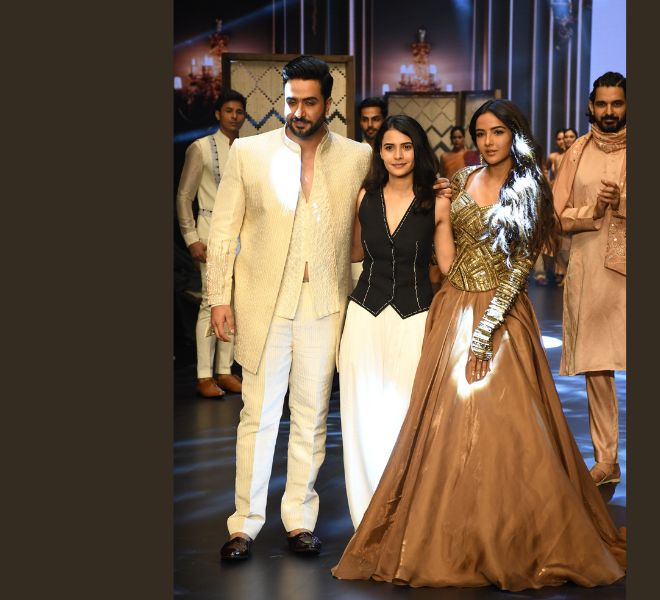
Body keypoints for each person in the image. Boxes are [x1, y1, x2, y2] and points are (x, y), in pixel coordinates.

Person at [332, 99, 626, 591]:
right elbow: (447, 247)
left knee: (504, 431)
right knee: (441, 430)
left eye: (497, 132)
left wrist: (485, 332)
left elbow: (518, 267)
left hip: (502, 316)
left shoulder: (528, 187)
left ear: (515, 135)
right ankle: (453, 532)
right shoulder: (462, 179)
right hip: (452, 307)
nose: (488, 142)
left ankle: (508, 534)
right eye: (481, 133)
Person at [205, 56, 374, 561]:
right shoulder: (250, 153)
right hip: (263, 301)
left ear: (329, 103)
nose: (298, 112)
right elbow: (223, 230)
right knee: (257, 415)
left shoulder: (358, 156)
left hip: (325, 302)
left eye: (309, 102)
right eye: (291, 102)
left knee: (312, 416)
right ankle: (244, 524)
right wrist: (218, 297)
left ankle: (300, 519)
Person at [340, 115, 455, 530]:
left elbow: (449, 267)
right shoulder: (363, 197)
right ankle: (367, 520)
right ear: (380, 152)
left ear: (417, 150)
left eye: (406, 146)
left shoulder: (437, 201)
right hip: (364, 318)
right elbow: (354, 253)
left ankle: (404, 516)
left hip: (415, 317)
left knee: (408, 417)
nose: (398, 155)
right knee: (361, 419)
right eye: (389, 147)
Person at [553, 72, 627, 486]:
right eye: (602, 104)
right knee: (597, 366)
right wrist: (594, 212)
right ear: (590, 106)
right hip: (592, 269)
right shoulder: (577, 152)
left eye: (617, 103)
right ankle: (606, 460)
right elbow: (557, 214)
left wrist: (623, 202)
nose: (609, 111)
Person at [175, 89, 247, 398]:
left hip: (241, 235)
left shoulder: (246, 149)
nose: (234, 116)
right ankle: (204, 375)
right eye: (228, 110)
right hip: (209, 230)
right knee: (210, 301)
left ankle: (225, 371)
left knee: (235, 302)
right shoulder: (201, 147)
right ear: (218, 114)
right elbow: (183, 196)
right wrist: (191, 238)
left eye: (239, 111)